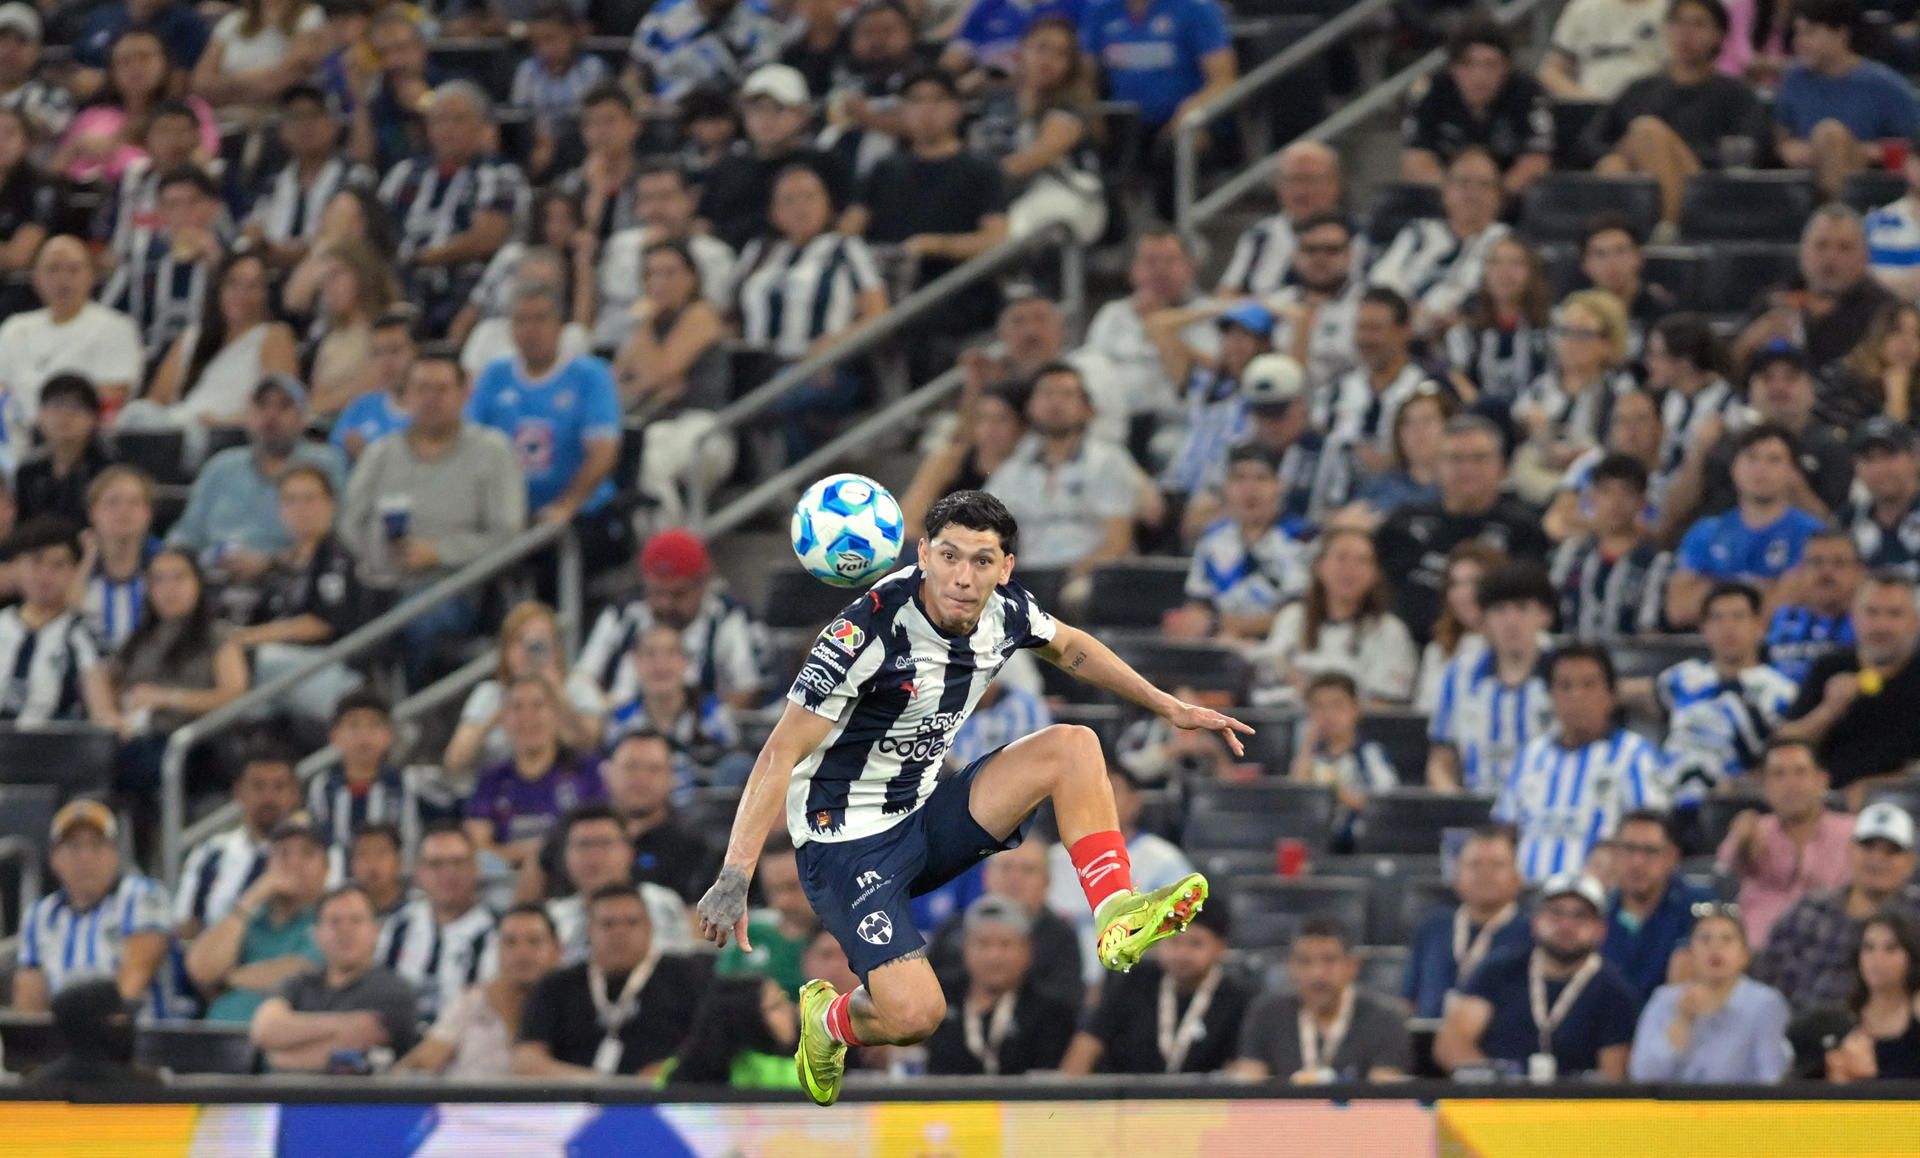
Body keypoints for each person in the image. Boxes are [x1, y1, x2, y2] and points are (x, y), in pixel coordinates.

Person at [697, 490, 1247, 1107]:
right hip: (845, 847)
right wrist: (735, 874)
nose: (963, 577)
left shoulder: (1007, 610)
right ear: (924, 554)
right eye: (950, 556)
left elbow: (1071, 647)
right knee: (917, 1017)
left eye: (982, 561)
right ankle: (829, 1022)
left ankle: (1116, 911)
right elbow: (777, 753)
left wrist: (1169, 706)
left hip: (924, 814)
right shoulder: (862, 634)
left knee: (1073, 745)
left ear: (1005, 568)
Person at [340, 356, 525, 673]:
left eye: (442, 389)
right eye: (422, 389)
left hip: (454, 586)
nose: (431, 399)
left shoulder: (493, 451)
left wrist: (438, 552)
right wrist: (379, 556)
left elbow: (508, 536)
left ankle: (408, 711)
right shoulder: (380, 453)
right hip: (378, 583)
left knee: (415, 619)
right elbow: (348, 524)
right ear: (407, 395)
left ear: (464, 393)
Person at [730, 164, 888, 462]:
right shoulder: (759, 251)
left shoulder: (845, 248)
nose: (800, 207)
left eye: (809, 197)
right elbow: (730, 313)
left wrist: (834, 345)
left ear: (827, 204)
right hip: (757, 366)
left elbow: (878, 313)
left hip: (823, 365)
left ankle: (785, 486)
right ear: (773, 212)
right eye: (788, 200)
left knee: (775, 401)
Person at [846, 67, 1008, 346]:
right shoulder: (884, 169)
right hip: (888, 285)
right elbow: (850, 227)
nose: (926, 111)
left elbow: (995, 239)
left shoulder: (981, 169)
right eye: (916, 101)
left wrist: (935, 245)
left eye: (937, 101)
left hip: (956, 289)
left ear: (956, 108)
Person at [465, 284, 624, 566]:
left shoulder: (590, 375)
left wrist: (566, 506)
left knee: (547, 554)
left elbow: (603, 452)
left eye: (540, 319)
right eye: (521, 320)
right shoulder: (495, 375)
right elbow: (467, 440)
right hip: (507, 514)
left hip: (580, 512)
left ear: (560, 326)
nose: (530, 329)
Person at [1436, 872, 1640, 1080]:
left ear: (1601, 930)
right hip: (1497, 1104)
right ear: (1535, 921)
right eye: (1556, 913)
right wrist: (1496, 1087)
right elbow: (1452, 1044)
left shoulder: (1615, 993)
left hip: (1576, 1108)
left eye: (1581, 916)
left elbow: (1613, 1076)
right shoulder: (1497, 970)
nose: (1566, 925)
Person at [1589, 0, 1772, 229]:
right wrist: (1636, 151)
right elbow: (1588, 144)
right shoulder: (1639, 89)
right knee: (1614, 163)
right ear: (1665, 29)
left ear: (1719, 35)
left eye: (1698, 24)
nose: (1685, 33)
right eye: (1677, 23)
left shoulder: (1736, 94)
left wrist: (1667, 150)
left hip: (1706, 187)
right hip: (1643, 183)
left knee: (1648, 131)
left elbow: (1753, 152)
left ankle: (1671, 231)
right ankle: (1625, 244)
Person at [1496, 645, 1667, 882]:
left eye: (1588, 685)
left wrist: (1611, 852)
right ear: (1550, 696)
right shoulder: (1530, 756)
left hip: (1602, 905)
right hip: (1528, 901)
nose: (1576, 696)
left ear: (1611, 695)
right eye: (1564, 686)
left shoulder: (1634, 755)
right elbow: (1506, 829)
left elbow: (1653, 832)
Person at [1375, 415, 1549, 644]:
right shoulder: (1401, 525)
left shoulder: (1524, 530)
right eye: (1455, 458)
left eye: (1479, 458)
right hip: (1401, 649)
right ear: (1437, 465)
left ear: (1502, 466)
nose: (1467, 468)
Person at [377, 81, 529, 338]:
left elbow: (488, 237)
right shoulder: (404, 174)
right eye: (438, 121)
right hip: (401, 284)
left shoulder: (499, 175)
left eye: (458, 120)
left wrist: (425, 257)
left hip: (468, 287)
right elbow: (376, 228)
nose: (447, 130)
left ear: (482, 126)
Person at [515, 884, 710, 1077]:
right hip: (577, 1101)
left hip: (664, 1100)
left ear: (649, 929)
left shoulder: (688, 976)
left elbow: (708, 1049)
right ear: (589, 930)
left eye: (631, 923)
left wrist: (667, 1073)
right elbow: (527, 1058)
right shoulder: (557, 984)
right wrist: (600, 1088)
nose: (619, 933)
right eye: (607, 924)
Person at [223, 464, 363, 723]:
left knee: (247, 658)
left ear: (330, 504)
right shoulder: (282, 562)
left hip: (328, 664)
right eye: (291, 501)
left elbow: (322, 623)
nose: (301, 509)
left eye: (310, 499)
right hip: (285, 666)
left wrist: (246, 638)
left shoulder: (335, 557)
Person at [164, 376, 348, 572]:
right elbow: (187, 533)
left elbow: (336, 534)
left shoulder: (324, 462)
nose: (271, 416)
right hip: (215, 577)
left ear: (303, 418)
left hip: (291, 577)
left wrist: (270, 563)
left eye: (284, 406)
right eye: (262, 406)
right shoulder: (221, 467)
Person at [575, 528, 769, 712]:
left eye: (677, 594)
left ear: (704, 583)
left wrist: (699, 721)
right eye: (656, 592)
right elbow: (582, 678)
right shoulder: (620, 615)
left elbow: (747, 690)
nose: (665, 605)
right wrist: (607, 714)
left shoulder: (730, 620)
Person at [1750, 802, 1920, 1009]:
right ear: (1849, 851)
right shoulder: (1808, 911)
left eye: (1892, 851)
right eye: (1868, 847)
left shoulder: (1915, 917)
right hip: (1798, 1032)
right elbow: (1766, 979)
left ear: (1911, 862)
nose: (1877, 858)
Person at [522, 728, 715, 906]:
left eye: (653, 769)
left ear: (671, 778)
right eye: (631, 767)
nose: (641, 777)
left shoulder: (692, 847)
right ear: (607, 773)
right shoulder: (574, 828)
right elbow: (526, 903)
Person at [13, 800, 170, 1017]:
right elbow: (29, 1001)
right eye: (73, 846)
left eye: (97, 845)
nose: (85, 857)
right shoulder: (40, 915)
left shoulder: (142, 896)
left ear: (115, 854)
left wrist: (92, 1035)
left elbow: (136, 977)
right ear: (54, 858)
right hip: (63, 1040)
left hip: (134, 1037)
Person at [983, 363, 1143, 576]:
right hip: (1030, 575)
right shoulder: (1013, 470)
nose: (1055, 402)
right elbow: (982, 530)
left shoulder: (1108, 461)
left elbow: (1118, 543)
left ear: (1088, 409)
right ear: (1030, 407)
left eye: (1067, 394)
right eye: (1047, 393)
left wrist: (1069, 578)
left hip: (1089, 576)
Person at [1043, 765, 1195, 986]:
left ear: (1135, 802)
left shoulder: (1164, 860)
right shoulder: (1050, 860)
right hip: (1057, 985)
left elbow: (1186, 929)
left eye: (1111, 789)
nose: (1099, 798)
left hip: (1133, 986)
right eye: (1089, 790)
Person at [611, 243, 730, 522]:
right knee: (636, 449)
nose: (659, 283)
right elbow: (615, 384)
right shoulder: (646, 329)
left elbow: (657, 374)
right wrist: (652, 385)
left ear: (691, 277)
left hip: (703, 429)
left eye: (669, 273)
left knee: (650, 458)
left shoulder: (701, 314)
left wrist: (646, 324)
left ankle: (672, 547)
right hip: (659, 425)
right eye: (651, 275)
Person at [1666, 424, 1826, 628]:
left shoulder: (1811, 534)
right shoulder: (1705, 531)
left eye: (1774, 460)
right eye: (1751, 458)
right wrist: (1766, 585)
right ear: (1734, 467)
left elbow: (1781, 607)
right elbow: (1679, 609)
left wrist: (1713, 585)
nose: (1761, 469)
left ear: (1792, 472)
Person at [1059, 900, 1245, 1075]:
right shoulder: (1133, 983)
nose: (1181, 953)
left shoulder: (1237, 1000)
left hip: (1202, 1106)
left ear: (1221, 947)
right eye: (1173, 942)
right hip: (1125, 1103)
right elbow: (1086, 1046)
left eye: (1195, 943)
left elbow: (1242, 1070)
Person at [0, 237, 142, 463]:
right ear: (36, 278)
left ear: (92, 276)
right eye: (52, 269)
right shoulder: (14, 328)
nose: (62, 279)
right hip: (12, 437)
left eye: (73, 269)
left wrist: (53, 420)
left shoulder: (115, 327)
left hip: (78, 443)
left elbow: (112, 394)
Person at [1649, 582, 1798, 798]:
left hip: (1733, 799)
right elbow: (1629, 693)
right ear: (1704, 629)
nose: (1728, 627)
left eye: (1738, 616)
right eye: (1717, 618)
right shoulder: (1681, 677)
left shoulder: (1781, 691)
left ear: (1760, 626)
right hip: (1667, 793)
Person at [249, 884, 419, 1072]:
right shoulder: (299, 983)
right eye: (334, 922)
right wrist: (342, 1025)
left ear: (375, 931)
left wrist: (279, 1054)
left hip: (361, 1100)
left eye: (356, 920)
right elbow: (265, 1028)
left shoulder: (395, 991)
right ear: (317, 934)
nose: (345, 931)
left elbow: (344, 1055)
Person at [1777, 572, 1920, 795]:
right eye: (1871, 612)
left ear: (1915, 621)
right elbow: (1781, 748)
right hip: (1826, 802)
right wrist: (1829, 710)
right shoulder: (1830, 666)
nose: (1881, 625)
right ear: (1854, 617)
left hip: (1907, 801)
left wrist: (1874, 789)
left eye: (1894, 614)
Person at [969, 18, 1106, 247]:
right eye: (1041, 48)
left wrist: (970, 181)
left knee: (1017, 224)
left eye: (1061, 54)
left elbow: (1032, 160)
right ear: (1020, 52)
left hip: (1068, 196)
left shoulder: (1069, 110)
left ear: (1070, 66)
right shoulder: (997, 102)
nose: (1048, 59)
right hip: (1004, 195)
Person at [1227, 915, 1412, 1082]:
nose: (1317, 974)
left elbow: (1386, 1093)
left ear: (1352, 966)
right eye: (1305, 961)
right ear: (1291, 967)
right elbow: (1249, 1082)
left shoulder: (1386, 1018)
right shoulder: (1266, 1013)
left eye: (1329, 960)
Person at [1425, 562, 1557, 794]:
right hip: (1475, 812)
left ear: (1545, 615)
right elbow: (1441, 760)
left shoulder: (1564, 674)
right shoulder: (1458, 675)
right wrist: (1453, 800)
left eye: (1522, 607)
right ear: (1483, 619)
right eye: (1499, 610)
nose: (1510, 620)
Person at [1079, 0, 1235, 194]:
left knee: (1183, 142)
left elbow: (1223, 80)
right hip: (1124, 123)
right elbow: (1083, 78)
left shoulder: (1197, 8)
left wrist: (1188, 112)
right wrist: (1094, 120)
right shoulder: (1100, 10)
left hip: (1177, 120)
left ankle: (1180, 211)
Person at [188, 813, 332, 1023]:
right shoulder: (247, 915)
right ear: (268, 864)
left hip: (285, 1044)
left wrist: (228, 977)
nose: (294, 863)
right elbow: (201, 969)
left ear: (326, 868)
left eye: (307, 854)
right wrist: (253, 896)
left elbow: (301, 973)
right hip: (220, 1039)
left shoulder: (331, 915)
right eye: (283, 854)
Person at [1716, 738, 1854, 950]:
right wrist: (1743, 842)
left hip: (1828, 950)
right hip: (1757, 952)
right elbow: (1726, 867)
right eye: (1779, 774)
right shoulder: (1755, 830)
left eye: (1800, 772)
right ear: (1764, 788)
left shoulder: (1852, 833)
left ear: (1822, 780)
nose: (1791, 784)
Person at [1773, 0, 1920, 197]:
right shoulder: (1794, 80)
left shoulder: (1884, 84)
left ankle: (1836, 213)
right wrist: (1789, 149)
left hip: (1870, 184)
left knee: (1830, 134)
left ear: (1840, 33)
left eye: (1810, 32)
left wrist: (1857, 150)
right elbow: (1781, 138)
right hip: (1805, 179)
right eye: (1797, 33)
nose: (1799, 42)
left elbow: (1910, 146)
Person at [1167, 442, 1311, 643]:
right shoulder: (1212, 540)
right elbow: (1198, 603)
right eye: (1239, 478)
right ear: (1226, 486)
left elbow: (1301, 614)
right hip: (1219, 644)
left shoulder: (1302, 539)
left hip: (1280, 644)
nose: (1250, 488)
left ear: (1279, 485)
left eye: (1261, 478)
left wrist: (1223, 625)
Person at [698, 64, 853, 252]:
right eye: (756, 109)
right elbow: (706, 223)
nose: (766, 118)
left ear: (802, 114)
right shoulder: (728, 168)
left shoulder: (823, 164)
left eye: (778, 108)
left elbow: (851, 214)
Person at [1628, 906, 1793, 1081]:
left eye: (1727, 939)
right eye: (1705, 939)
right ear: (1690, 954)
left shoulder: (1765, 1004)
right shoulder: (1665, 999)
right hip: (1675, 1106)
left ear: (1745, 956)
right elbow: (1642, 1076)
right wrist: (1683, 1021)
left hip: (1738, 1106)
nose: (1716, 947)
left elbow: (1772, 1077)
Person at [394, 903, 559, 1078]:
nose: (522, 953)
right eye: (510, 942)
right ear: (498, 951)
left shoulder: (571, 1001)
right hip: (462, 1099)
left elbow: (533, 1071)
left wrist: (507, 1011)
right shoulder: (473, 998)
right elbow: (428, 1057)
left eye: (534, 942)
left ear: (557, 951)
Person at [1255, 529, 1418, 706]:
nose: (1350, 569)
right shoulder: (1293, 618)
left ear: (1375, 573)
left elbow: (1386, 703)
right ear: (1319, 566)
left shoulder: (1389, 631)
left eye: (1362, 561)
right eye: (1341, 558)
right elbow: (1269, 674)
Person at [921, 894, 1078, 1076]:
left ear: (1027, 950)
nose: (993, 956)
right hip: (944, 1103)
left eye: (1005, 945)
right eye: (983, 944)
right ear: (965, 948)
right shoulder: (936, 1001)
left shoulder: (1051, 1013)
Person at [444, 602, 605, 777]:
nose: (527, 651)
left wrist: (556, 693)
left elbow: (591, 743)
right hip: (502, 789)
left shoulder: (577, 686)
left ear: (556, 648)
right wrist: (504, 708)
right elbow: (454, 762)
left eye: (538, 642)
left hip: (569, 784)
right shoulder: (489, 693)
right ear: (505, 651)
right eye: (518, 641)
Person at [1732, 207, 1900, 374]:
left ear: (1866, 256)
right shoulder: (1774, 300)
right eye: (1821, 245)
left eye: (1844, 248)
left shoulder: (1885, 309)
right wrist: (1751, 341)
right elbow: (1729, 371)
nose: (1830, 257)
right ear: (1802, 251)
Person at [589, 160, 736, 350]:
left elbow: (714, 316)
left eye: (666, 197)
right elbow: (598, 307)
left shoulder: (713, 254)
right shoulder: (620, 244)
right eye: (647, 199)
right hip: (610, 345)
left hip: (680, 351)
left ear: (690, 200)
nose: (655, 208)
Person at [463, 675, 607, 868]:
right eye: (517, 707)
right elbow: (478, 849)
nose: (528, 717)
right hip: (505, 884)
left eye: (538, 705)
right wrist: (540, 851)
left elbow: (603, 836)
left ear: (557, 716)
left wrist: (516, 852)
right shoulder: (491, 778)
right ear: (504, 721)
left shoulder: (585, 769)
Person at [1509, 290, 1637, 505]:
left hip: (1593, 486)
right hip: (1535, 481)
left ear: (1608, 344)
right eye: (1564, 331)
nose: (1570, 342)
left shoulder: (1620, 392)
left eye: (1583, 334)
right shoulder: (1542, 386)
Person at [1080, 231, 1219, 427]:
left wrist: (1162, 326)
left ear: (1190, 268)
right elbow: (1092, 368)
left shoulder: (1207, 312)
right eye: (1150, 261)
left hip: (1178, 423)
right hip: (1116, 422)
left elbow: (1208, 377)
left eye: (1170, 261)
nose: (1160, 270)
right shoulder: (1113, 314)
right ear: (1132, 271)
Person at [1401, 16, 1551, 196]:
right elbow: (1416, 158)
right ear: (1453, 68)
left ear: (1506, 69)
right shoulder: (1430, 92)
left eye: (1490, 65)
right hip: (1443, 198)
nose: (1479, 76)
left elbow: (1536, 160)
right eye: (1468, 64)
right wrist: (1455, 197)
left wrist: (1491, 198)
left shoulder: (1527, 92)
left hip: (1510, 199)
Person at [1367, 147, 1511, 335]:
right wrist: (1411, 314)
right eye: (1463, 182)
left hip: (1465, 334)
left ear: (1499, 196)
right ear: (1445, 191)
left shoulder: (1507, 242)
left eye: (1484, 185)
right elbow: (1382, 279)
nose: (1472, 192)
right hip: (1399, 330)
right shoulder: (1419, 232)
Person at [175, 747, 314, 939]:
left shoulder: (315, 855)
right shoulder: (211, 853)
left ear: (295, 794)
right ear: (239, 791)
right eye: (258, 786)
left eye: (279, 787)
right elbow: (184, 926)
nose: (269, 797)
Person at [1150, 300, 1278, 502]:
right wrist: (1220, 307)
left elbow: (1302, 318)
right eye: (1228, 334)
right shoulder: (1204, 381)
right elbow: (1159, 325)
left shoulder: (1271, 388)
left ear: (1264, 342)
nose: (1235, 343)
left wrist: (1264, 305)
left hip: (1223, 495)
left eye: (1245, 335)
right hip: (1177, 487)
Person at [1405, 823, 1530, 1019]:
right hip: (1428, 1038)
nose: (1485, 873)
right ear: (1456, 876)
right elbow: (1408, 998)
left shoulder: (1531, 932)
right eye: (1475, 864)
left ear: (1518, 878)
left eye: (1497, 865)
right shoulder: (1433, 925)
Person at [542, 804, 696, 962]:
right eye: (583, 844)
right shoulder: (551, 918)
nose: (594, 855)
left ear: (629, 851)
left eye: (605, 843)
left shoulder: (662, 904)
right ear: (565, 856)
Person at [242, 84, 372, 270]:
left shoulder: (354, 176)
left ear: (333, 124)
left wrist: (296, 253)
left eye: (314, 115)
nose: (305, 125)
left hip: (333, 276)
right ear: (282, 130)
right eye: (295, 117)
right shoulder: (272, 182)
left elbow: (351, 242)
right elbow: (254, 230)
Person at [378, 823, 496, 1025]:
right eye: (435, 864)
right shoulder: (397, 926)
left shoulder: (497, 933)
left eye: (458, 862)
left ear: (476, 869)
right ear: (418, 873)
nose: (448, 873)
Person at [1549, 452, 1673, 640]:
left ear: (1642, 502)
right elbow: (1550, 613)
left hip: (1634, 664)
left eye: (1627, 492)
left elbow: (1650, 630)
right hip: (1569, 659)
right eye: (1606, 492)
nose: (1616, 503)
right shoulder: (1571, 554)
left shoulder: (1657, 563)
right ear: (1592, 498)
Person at [603, 625, 743, 790]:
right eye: (650, 653)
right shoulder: (620, 720)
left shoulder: (714, 715)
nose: (661, 664)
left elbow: (730, 772)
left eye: (671, 653)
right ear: (636, 663)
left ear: (686, 662)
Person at [1315, 288, 1437, 475]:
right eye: (1361, 328)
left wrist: (1394, 462)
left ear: (1404, 331)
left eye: (1375, 329)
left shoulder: (1429, 390)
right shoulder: (1336, 390)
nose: (1366, 339)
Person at [0, 517, 109, 725]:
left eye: (58, 565)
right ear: (17, 565)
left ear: (74, 571)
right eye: (36, 562)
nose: (45, 574)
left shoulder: (84, 632)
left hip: (55, 748)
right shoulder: (2, 624)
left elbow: (101, 707)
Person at [1602, 810, 1713, 1002]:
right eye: (1628, 849)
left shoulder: (1699, 908)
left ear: (1672, 857)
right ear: (1615, 854)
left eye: (1650, 851)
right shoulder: (1596, 912)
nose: (1637, 863)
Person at [1219, 141, 1346, 301]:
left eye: (1310, 179)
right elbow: (1226, 295)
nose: (1301, 191)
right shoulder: (1260, 236)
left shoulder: (1356, 235)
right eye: (1292, 180)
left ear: (1335, 184)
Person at [1289, 672, 1402, 850]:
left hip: (1358, 844)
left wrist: (1337, 796)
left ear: (1356, 709)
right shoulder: (1310, 754)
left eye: (1337, 705)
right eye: (1319, 707)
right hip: (1313, 843)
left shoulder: (1369, 753)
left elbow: (1387, 804)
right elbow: (1294, 797)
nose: (1328, 715)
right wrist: (1307, 746)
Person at [1444, 235, 1552, 409]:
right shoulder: (1463, 334)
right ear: (1484, 272)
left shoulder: (1553, 329)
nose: (1505, 272)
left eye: (1517, 263)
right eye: (1495, 263)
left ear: (1533, 272)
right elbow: (1458, 378)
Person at [508, 2, 605, 180]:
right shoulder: (527, 71)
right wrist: (542, 138)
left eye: (552, 38)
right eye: (538, 42)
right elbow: (521, 117)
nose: (545, 48)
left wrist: (553, 139)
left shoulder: (592, 68)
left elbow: (593, 113)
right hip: (537, 143)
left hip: (578, 142)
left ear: (571, 34)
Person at [304, 691, 411, 851]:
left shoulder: (410, 783)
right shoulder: (322, 786)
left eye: (375, 724)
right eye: (353, 725)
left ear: (390, 735)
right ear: (335, 735)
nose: (364, 736)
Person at [304, 241, 399, 419]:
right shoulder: (332, 339)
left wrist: (321, 405)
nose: (328, 286)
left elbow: (378, 381)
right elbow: (317, 397)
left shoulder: (393, 321)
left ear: (362, 272)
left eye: (336, 275)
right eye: (324, 280)